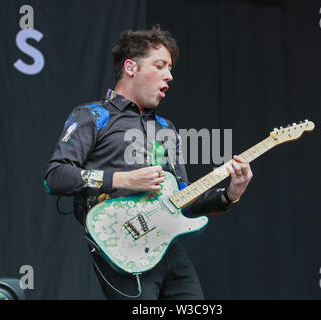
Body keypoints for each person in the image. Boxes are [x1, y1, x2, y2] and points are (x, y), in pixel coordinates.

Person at [44, 25, 253, 300]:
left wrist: (229, 195)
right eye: (160, 65)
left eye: (170, 68)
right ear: (131, 67)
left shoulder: (167, 128)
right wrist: (121, 180)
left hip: (168, 245)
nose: (170, 75)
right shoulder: (93, 115)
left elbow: (182, 197)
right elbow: (55, 176)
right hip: (121, 244)